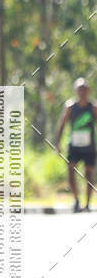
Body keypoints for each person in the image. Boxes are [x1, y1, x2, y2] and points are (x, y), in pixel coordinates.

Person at [55, 77, 97, 212]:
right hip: (74, 146)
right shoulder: (70, 107)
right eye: (80, 89)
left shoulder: (93, 107)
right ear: (75, 91)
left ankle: (88, 204)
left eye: (84, 89)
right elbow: (62, 124)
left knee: (89, 174)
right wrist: (57, 143)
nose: (82, 92)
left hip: (89, 146)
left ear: (88, 91)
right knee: (71, 172)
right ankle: (76, 201)